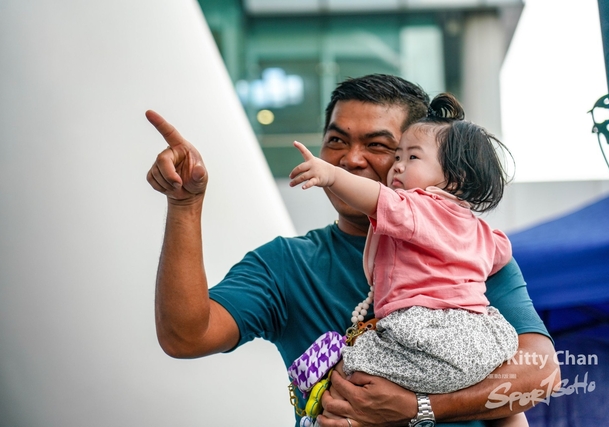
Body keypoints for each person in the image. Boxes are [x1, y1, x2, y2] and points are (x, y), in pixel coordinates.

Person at [145, 74, 560, 427]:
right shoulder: (286, 264)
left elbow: (541, 375)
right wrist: (185, 204)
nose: (350, 160)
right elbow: (186, 337)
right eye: (336, 141)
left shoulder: (465, 250)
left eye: (378, 146)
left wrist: (417, 408)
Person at [289, 92, 524, 426]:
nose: (398, 165)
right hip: (483, 341)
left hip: (423, 336)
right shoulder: (482, 230)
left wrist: (331, 175)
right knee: (509, 409)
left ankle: (326, 416)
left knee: (347, 373)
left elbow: (374, 198)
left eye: (412, 157)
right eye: (397, 155)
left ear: (454, 178)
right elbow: (501, 253)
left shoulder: (416, 207)